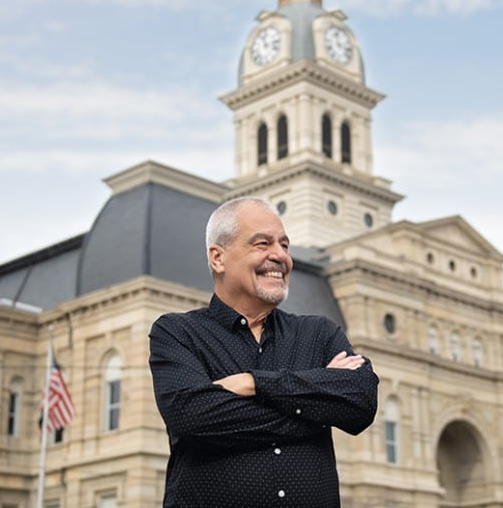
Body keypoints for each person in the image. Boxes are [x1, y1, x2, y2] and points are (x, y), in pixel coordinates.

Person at [149, 196, 379, 507]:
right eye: (262, 243)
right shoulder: (177, 333)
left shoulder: (319, 333)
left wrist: (253, 383)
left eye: (285, 245)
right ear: (218, 258)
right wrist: (314, 406)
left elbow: (360, 402)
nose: (280, 255)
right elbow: (193, 419)